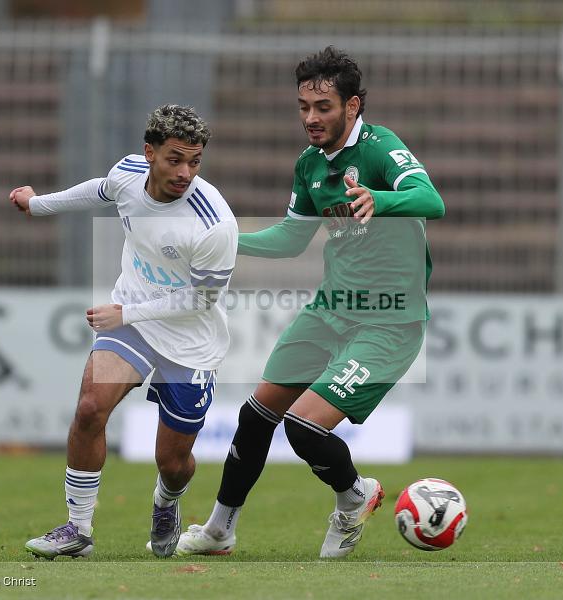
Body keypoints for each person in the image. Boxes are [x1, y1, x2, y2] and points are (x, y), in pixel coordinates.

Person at [174, 47, 445, 558]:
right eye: (304, 107)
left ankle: (351, 499)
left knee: (303, 424)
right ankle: (218, 531)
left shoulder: (381, 148)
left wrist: (378, 199)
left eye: (323, 107)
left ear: (353, 106)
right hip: (329, 311)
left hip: (389, 322)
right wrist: (221, 237)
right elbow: (289, 241)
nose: (311, 118)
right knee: (256, 417)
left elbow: (433, 200)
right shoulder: (309, 166)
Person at [9, 104, 237, 559]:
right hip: (132, 319)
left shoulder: (215, 224)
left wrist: (125, 315)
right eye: (175, 159)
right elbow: (101, 190)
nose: (185, 172)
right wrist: (38, 204)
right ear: (149, 152)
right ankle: (77, 529)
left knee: (172, 463)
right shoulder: (129, 174)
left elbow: (200, 300)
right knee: (91, 408)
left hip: (189, 341)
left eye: (195, 162)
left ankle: (167, 500)